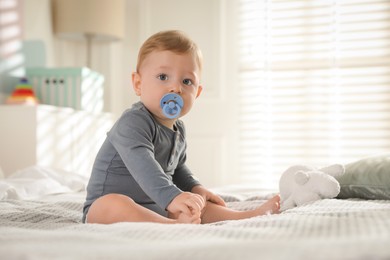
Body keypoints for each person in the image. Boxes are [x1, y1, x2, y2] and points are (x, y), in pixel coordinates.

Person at [82, 30, 280, 225]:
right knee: (113, 203)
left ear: (198, 92)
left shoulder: (178, 130)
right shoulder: (132, 123)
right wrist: (172, 196)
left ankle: (248, 216)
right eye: (162, 77)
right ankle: (171, 226)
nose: (176, 88)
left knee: (195, 205)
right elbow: (145, 168)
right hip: (105, 210)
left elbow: (177, 169)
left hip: (155, 204)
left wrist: (195, 188)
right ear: (138, 83)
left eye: (187, 81)